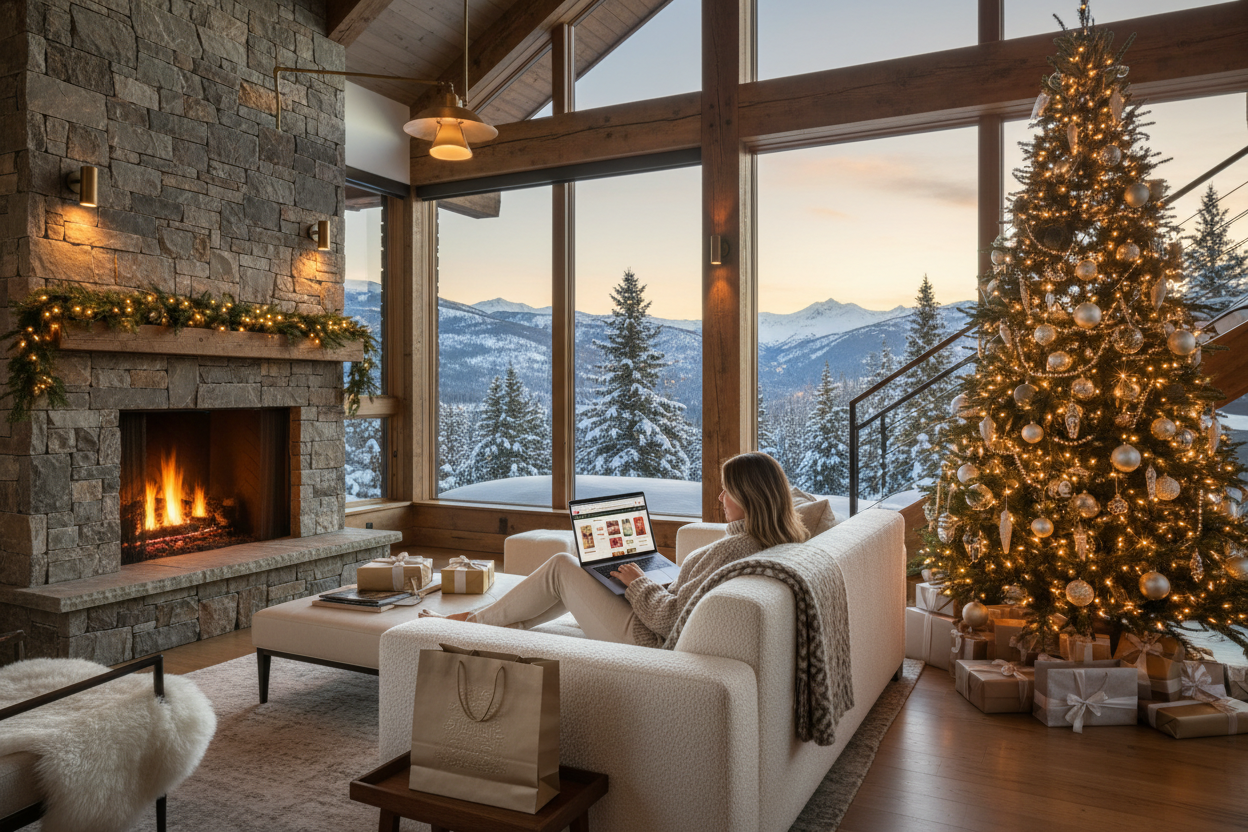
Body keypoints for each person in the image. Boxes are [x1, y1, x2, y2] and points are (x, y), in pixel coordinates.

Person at [420, 452, 809, 647]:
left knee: (561, 567)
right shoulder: (778, 538)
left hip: (645, 638)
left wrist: (640, 581)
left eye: (728, 490)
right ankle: (491, 628)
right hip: (655, 610)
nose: (721, 497)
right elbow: (690, 595)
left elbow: (669, 619)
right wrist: (660, 577)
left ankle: (472, 627)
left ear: (749, 496)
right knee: (584, 574)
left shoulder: (735, 548)